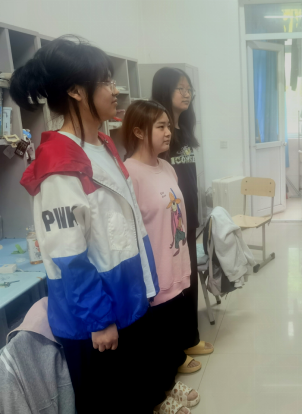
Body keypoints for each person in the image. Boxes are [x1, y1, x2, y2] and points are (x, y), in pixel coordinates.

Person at [13, 37, 166, 413]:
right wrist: (99, 321)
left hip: (126, 302)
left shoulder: (102, 146)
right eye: (106, 81)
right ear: (76, 91)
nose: (115, 91)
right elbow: (68, 254)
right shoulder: (59, 164)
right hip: (96, 322)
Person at [123, 100, 201, 412]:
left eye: (169, 126)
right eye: (161, 126)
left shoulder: (167, 167)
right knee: (154, 340)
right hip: (154, 275)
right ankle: (158, 398)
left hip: (176, 265)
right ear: (138, 131)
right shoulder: (130, 174)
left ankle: (169, 383)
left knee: (171, 334)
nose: (168, 132)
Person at [152, 67, 214, 363]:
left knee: (187, 277)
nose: (187, 94)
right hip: (170, 222)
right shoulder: (158, 135)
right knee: (175, 283)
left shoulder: (183, 131)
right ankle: (180, 343)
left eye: (189, 89)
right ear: (165, 90)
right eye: (181, 88)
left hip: (187, 217)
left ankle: (190, 338)